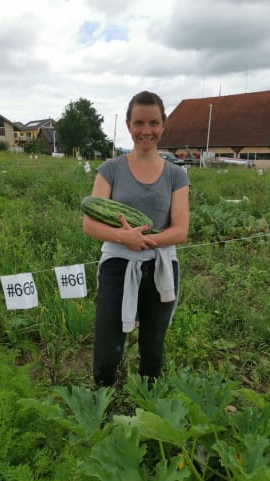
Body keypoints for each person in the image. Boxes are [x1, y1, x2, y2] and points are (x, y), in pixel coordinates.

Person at [82, 90, 190, 387]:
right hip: (118, 266)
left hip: (160, 267)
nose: (146, 131)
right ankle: (100, 403)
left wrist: (143, 241)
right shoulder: (110, 169)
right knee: (107, 349)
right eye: (139, 123)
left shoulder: (175, 175)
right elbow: (89, 223)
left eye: (153, 123)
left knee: (153, 348)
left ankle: (149, 405)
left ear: (163, 125)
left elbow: (180, 230)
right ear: (128, 125)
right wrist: (122, 237)